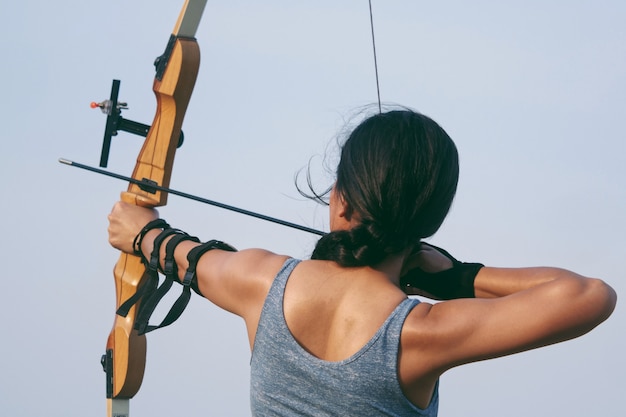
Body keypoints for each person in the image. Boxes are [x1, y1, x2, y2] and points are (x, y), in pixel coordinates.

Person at [108, 109, 616, 416]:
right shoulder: (423, 332)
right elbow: (590, 295)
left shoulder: (259, 280)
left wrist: (142, 230)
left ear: (341, 200)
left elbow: (173, 251)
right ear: (429, 221)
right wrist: (454, 277)